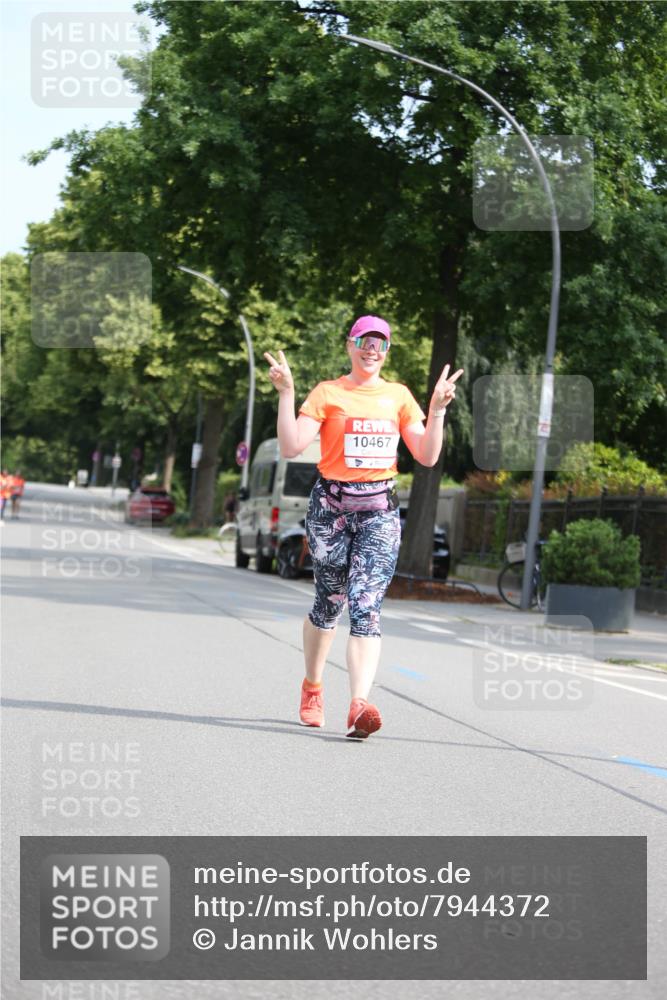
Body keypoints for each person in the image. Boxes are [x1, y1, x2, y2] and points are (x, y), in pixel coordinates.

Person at [264, 315, 463, 740]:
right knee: (329, 601)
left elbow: (426, 455)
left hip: (378, 512)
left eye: (381, 344)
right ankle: (313, 688)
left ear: (386, 351)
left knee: (366, 604)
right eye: (365, 342)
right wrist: (286, 393)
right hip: (330, 511)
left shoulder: (398, 396)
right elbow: (291, 445)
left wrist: (437, 412)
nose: (373, 349)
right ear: (351, 345)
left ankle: (359, 705)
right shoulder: (327, 393)